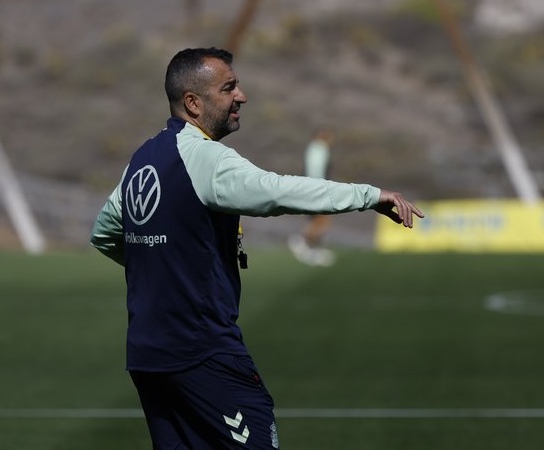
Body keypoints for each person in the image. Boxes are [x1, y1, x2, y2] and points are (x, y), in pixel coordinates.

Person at [90, 47, 424, 449]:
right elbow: (277, 191)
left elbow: (105, 232)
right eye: (228, 87)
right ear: (193, 103)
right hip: (202, 351)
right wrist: (369, 195)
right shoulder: (205, 159)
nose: (241, 95)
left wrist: (164, 265)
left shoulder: (142, 159)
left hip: (148, 353)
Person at [288, 129, 336, 266]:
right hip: (317, 189)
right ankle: (302, 242)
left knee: (318, 220)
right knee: (322, 221)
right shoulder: (319, 149)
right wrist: (319, 190)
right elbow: (316, 171)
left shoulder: (315, 148)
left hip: (313, 188)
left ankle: (311, 248)